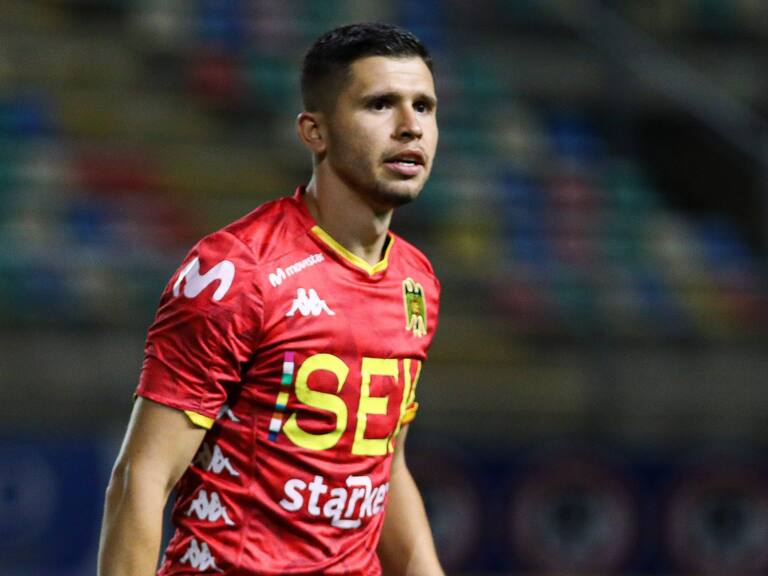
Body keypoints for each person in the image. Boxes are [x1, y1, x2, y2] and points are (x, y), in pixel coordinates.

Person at [98, 22, 443, 576]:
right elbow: (141, 478)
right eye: (380, 105)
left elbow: (384, 466)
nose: (410, 128)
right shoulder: (235, 272)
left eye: (423, 107)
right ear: (315, 132)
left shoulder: (415, 279)